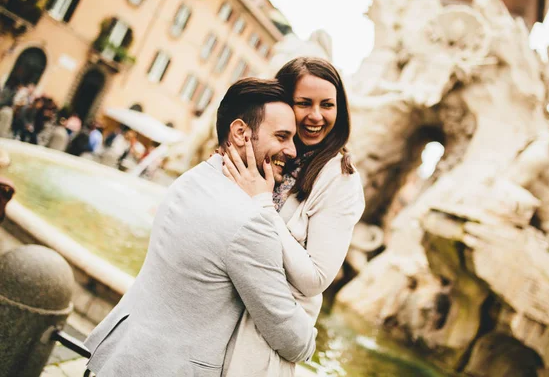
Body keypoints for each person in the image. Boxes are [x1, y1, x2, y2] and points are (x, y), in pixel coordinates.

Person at [84, 78, 316, 376]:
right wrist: (310, 336)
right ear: (241, 132)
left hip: (118, 354)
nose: (292, 150)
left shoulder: (194, 177)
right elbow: (293, 340)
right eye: (282, 136)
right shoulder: (249, 221)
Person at [222, 57, 365, 376]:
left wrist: (263, 206)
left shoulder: (340, 177)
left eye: (327, 104)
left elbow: (315, 279)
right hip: (215, 325)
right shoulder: (264, 152)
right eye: (304, 103)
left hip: (260, 346)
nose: (316, 116)